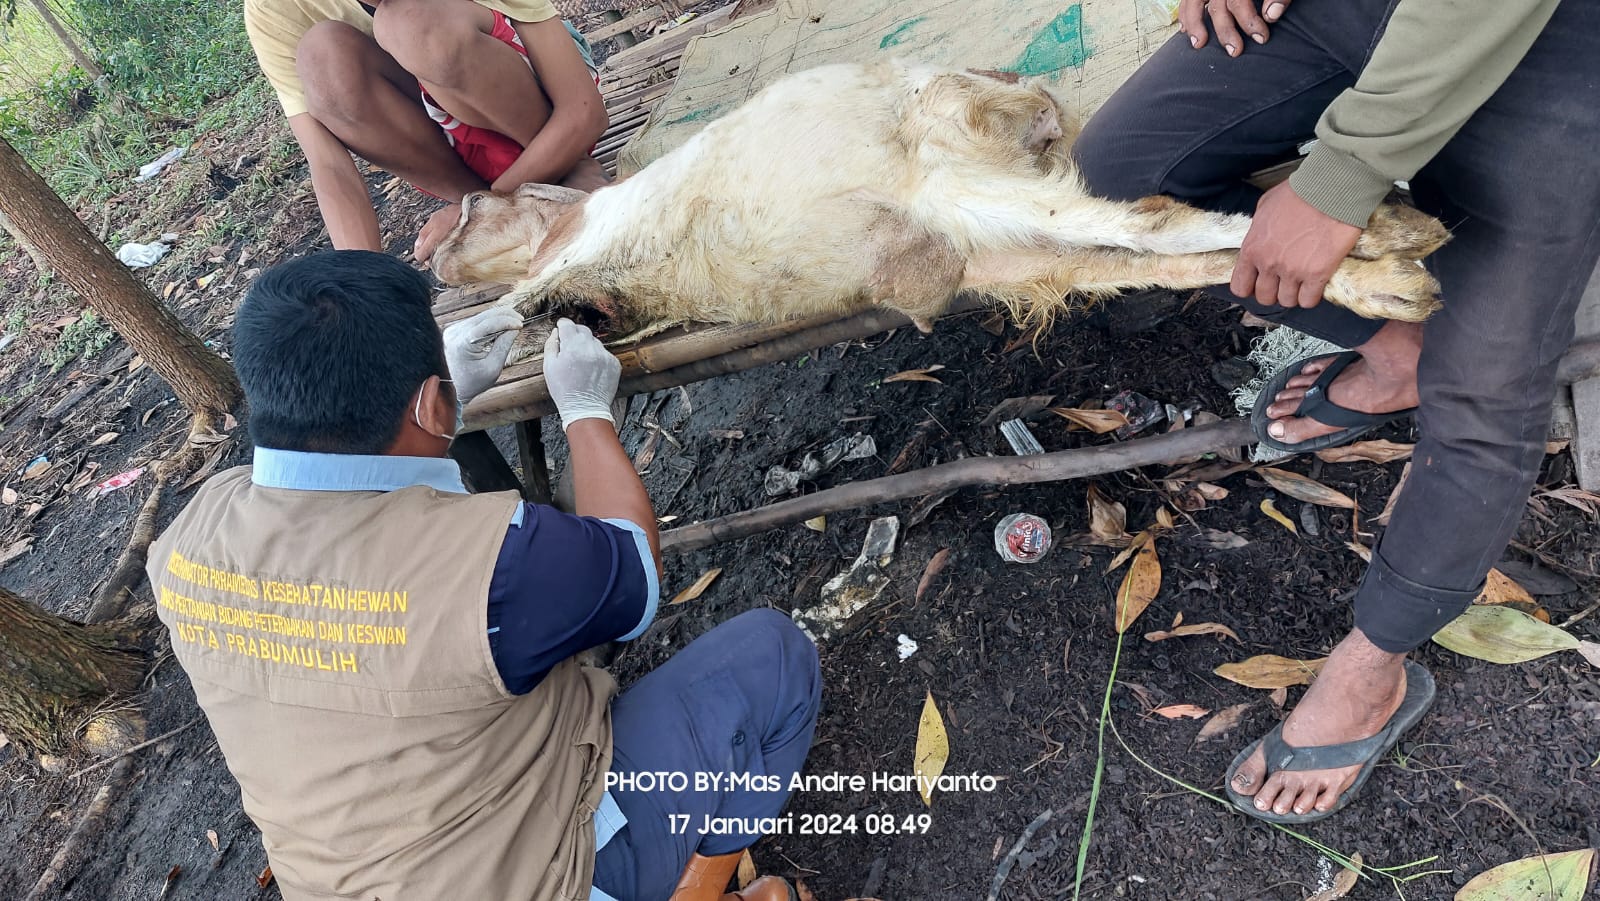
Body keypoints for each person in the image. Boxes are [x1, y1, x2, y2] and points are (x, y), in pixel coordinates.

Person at [147, 251, 818, 901]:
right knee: (774, 657)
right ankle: (693, 886)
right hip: (542, 877)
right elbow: (634, 574)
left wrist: (447, 403)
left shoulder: (184, 542)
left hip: (344, 878)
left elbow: (351, 513)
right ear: (426, 404)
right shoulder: (498, 563)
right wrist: (585, 410)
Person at [1073, 0, 1597, 823]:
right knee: (1120, 183)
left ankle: (1375, 663)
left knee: (1486, 395)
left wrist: (1342, 174)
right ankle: (1397, 349)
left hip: (1562, 42)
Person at [243, 0, 610, 261]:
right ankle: (483, 200)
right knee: (321, 54)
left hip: (540, 102)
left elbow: (583, 113)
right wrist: (368, 289)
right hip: (451, 143)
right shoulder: (271, 10)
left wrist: (478, 209)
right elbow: (329, 164)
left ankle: (566, 167)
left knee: (408, 20)